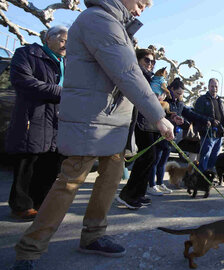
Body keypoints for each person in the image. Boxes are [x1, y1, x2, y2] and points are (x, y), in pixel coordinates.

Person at [11, 0, 174, 268]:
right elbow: (127, 72)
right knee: (69, 182)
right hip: (94, 118)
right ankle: (29, 249)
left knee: (109, 183)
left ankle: (93, 235)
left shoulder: (116, 24)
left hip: (113, 120)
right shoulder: (100, 20)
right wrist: (157, 115)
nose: (141, 10)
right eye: (141, 3)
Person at [6, 26, 68, 221]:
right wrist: (63, 93)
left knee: (50, 163)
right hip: (34, 117)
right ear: (49, 38)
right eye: (63, 40)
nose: (66, 45)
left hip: (58, 120)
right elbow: (23, 81)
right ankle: (21, 206)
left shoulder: (68, 62)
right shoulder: (27, 54)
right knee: (28, 162)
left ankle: (42, 202)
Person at [118, 53, 172, 203]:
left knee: (149, 157)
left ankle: (138, 193)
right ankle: (129, 194)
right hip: (138, 121)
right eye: (147, 60)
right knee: (146, 157)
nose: (150, 64)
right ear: (138, 59)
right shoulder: (136, 74)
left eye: (153, 61)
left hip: (148, 122)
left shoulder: (150, 78)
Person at [194, 78, 224, 172]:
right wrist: (210, 120)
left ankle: (209, 177)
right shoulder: (202, 99)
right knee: (205, 157)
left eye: (216, 86)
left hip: (219, 134)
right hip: (208, 133)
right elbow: (197, 115)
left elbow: (221, 117)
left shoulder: (220, 101)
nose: (214, 88)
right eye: (212, 86)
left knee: (213, 158)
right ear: (208, 86)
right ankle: (201, 177)